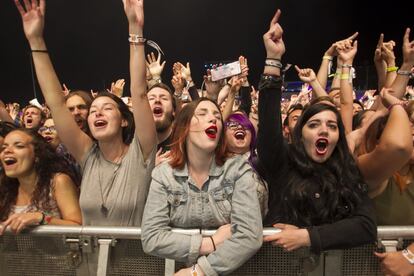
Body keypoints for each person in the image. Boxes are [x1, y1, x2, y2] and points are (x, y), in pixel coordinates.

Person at [14, 0, 157, 226]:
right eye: (94, 111)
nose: (98, 113)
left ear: (123, 121)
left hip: (134, 261)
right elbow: (56, 103)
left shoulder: (142, 153)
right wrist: (36, 40)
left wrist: (135, 27)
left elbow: (139, 93)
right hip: (90, 261)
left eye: (107, 108)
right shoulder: (87, 156)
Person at [258, 9, 376, 254]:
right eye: (314, 124)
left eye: (332, 126)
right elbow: (268, 127)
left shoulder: (346, 169)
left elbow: (365, 226)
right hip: (279, 267)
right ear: (300, 134)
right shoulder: (283, 162)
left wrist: (308, 237)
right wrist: (273, 59)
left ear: (337, 137)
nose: (324, 129)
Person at [141, 98, 262, 276]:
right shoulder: (164, 175)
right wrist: (209, 243)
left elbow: (249, 236)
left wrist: (199, 272)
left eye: (217, 117)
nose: (213, 119)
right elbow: (151, 238)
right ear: (185, 127)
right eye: (202, 113)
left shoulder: (237, 169)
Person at [0, 129, 81, 234]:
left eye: (19, 146)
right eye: (3, 148)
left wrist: (41, 218)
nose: (7, 151)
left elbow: (77, 227)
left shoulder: (58, 181)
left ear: (37, 155)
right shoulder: (5, 187)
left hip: (56, 251)